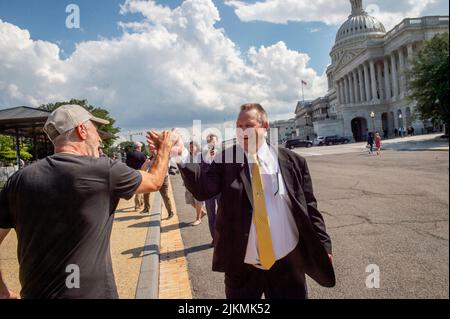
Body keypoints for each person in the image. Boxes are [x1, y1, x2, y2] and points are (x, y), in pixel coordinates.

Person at [158, 103, 334, 299]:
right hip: (242, 266)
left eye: (248, 125)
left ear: (265, 126)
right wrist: (181, 155)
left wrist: (324, 245)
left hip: (288, 263)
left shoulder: (293, 162)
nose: (242, 131)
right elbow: (203, 189)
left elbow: (310, 207)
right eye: (238, 126)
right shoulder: (226, 160)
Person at [0, 104, 174, 299]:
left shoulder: (18, 180)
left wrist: (2, 290)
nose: (99, 138)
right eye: (95, 130)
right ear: (81, 130)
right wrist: (164, 148)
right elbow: (154, 181)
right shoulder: (103, 170)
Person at [140, 151, 175, 219]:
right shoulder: (150, 159)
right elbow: (143, 169)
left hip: (162, 179)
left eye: (154, 151)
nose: (152, 152)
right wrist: (147, 162)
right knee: (146, 193)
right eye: (152, 151)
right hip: (152, 178)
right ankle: (146, 209)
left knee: (165, 196)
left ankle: (170, 212)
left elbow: (166, 167)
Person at [203, 134, 221, 246]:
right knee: (211, 215)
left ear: (217, 142)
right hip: (209, 190)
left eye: (214, 142)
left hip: (220, 189)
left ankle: (224, 236)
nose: (212, 144)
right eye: (210, 142)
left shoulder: (223, 155)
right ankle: (215, 238)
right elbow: (202, 171)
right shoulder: (203, 156)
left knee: (223, 212)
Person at [184, 141, 206, 226]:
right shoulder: (188, 156)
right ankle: (202, 212)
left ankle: (198, 218)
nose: (191, 148)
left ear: (197, 146)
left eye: (193, 147)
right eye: (190, 147)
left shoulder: (201, 155)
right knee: (189, 199)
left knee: (198, 200)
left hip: (198, 181)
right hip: (189, 181)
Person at [126, 142, 147, 211]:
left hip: (131, 172)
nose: (141, 148)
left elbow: (127, 164)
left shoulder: (129, 154)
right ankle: (137, 205)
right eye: (140, 147)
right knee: (140, 188)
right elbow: (146, 163)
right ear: (138, 147)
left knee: (137, 187)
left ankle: (141, 202)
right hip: (141, 172)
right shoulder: (142, 154)